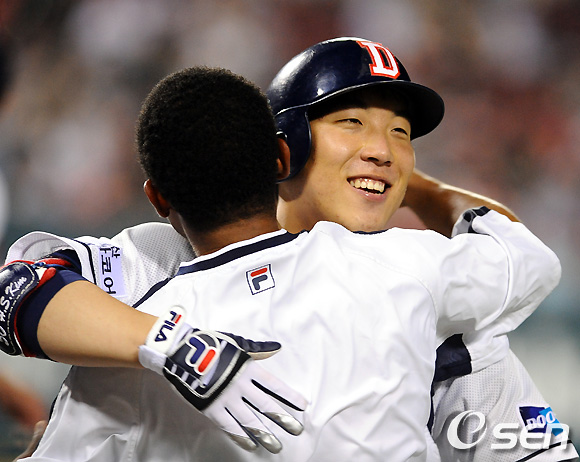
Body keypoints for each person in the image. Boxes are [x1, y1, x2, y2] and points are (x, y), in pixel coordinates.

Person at [3, 38, 577, 461]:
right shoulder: (160, 257)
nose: (382, 151)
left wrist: (415, 185)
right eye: (351, 122)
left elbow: (533, 451)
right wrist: (170, 345)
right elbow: (18, 290)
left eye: (400, 134)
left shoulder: (430, 288)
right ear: (284, 147)